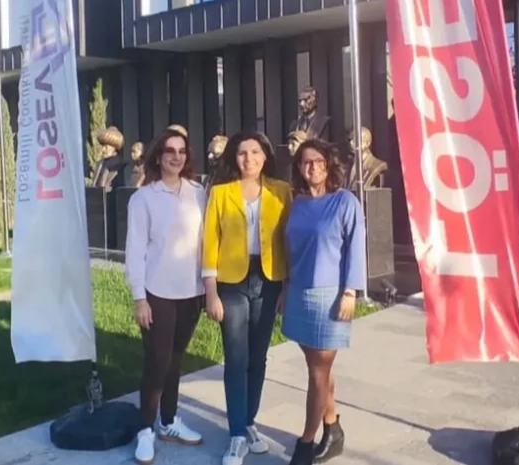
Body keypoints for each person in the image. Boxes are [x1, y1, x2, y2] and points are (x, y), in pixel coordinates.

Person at [202, 131, 292, 465]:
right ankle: (237, 434)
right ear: (234, 158)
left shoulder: (281, 191)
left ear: (265, 156)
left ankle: (248, 421)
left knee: (259, 356)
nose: (249, 159)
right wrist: (211, 291)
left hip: (268, 281)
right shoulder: (221, 192)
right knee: (236, 357)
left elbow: (288, 241)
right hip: (231, 282)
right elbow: (209, 242)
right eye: (242, 153)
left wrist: (287, 287)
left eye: (255, 152)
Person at [282, 139, 366, 465]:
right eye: (306, 162)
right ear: (299, 168)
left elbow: (356, 247)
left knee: (318, 373)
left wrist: (351, 292)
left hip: (330, 297)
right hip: (299, 293)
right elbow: (290, 249)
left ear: (329, 164)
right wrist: (286, 288)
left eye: (319, 161)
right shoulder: (297, 204)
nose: (313, 167)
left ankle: (305, 443)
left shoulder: (345, 201)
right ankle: (332, 427)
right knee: (317, 368)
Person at [125, 128, 206, 465]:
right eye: (170, 151)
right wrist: (139, 298)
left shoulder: (199, 193)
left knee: (175, 360)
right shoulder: (143, 198)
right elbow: (135, 251)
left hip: (192, 293)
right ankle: (146, 428)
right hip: (157, 293)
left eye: (182, 151)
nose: (176, 156)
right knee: (157, 362)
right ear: (158, 157)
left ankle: (169, 421)